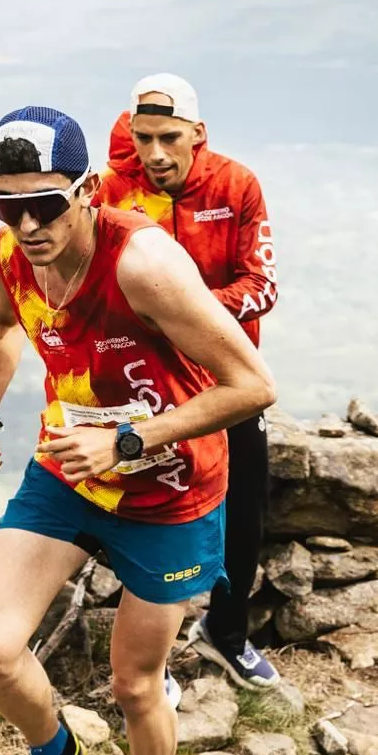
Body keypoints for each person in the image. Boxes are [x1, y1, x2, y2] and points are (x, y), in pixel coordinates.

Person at [0, 105, 276, 755]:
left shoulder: (145, 264)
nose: (28, 224)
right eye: (9, 205)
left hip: (169, 492)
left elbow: (253, 387)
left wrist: (129, 439)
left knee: (134, 683)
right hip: (69, 471)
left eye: (46, 204)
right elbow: (4, 324)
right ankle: (53, 754)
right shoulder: (7, 254)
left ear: (89, 189)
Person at [94, 73, 281, 692]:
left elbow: (264, 286)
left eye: (170, 138)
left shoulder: (236, 185)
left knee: (245, 511)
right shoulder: (114, 192)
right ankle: (155, 663)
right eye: (143, 137)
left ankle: (227, 635)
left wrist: (186, 314)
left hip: (229, 380)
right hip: (145, 385)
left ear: (197, 134)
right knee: (148, 514)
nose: (156, 153)